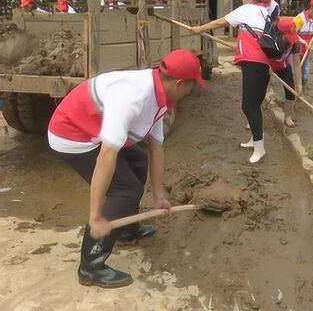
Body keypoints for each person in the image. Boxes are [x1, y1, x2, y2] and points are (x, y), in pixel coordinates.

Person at [47, 49, 206, 288]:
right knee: (124, 189)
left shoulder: (160, 94)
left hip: (94, 129)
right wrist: (96, 217)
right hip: (71, 134)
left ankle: (125, 227)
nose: (192, 91)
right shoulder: (134, 97)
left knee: (138, 161)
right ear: (180, 84)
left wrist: (160, 195)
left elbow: (156, 147)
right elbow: (106, 158)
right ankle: (90, 266)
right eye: (193, 86)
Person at [190, 0, 270, 164]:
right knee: (255, 104)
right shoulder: (264, 12)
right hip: (264, 63)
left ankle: (260, 148)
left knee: (248, 105)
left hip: (253, 62)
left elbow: (220, 22)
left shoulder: (247, 10)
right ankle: (255, 141)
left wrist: (199, 29)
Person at [267, 18, 302, 128]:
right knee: (259, 92)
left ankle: (287, 117)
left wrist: (299, 85)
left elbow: (297, 65)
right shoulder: (269, 39)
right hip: (267, 66)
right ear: (280, 33)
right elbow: (260, 54)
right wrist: (266, 66)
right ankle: (252, 120)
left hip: (283, 66)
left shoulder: (295, 43)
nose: (291, 40)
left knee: (291, 92)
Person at [293, 0, 313, 92]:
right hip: (297, 49)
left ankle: (303, 92)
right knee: (296, 72)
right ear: (312, 8)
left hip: (307, 50)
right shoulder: (300, 19)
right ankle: (294, 91)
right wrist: (304, 43)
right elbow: (292, 34)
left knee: (305, 74)